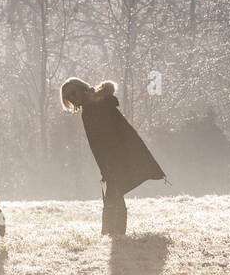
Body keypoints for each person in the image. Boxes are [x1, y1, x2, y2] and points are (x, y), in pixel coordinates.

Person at [60, 77, 166, 237]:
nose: (72, 98)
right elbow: (98, 143)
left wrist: (110, 164)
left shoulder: (96, 106)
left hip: (116, 157)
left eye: (73, 93)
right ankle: (113, 234)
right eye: (68, 97)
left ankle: (113, 234)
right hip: (112, 159)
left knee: (113, 196)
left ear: (81, 89)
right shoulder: (91, 107)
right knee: (114, 194)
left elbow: (109, 137)